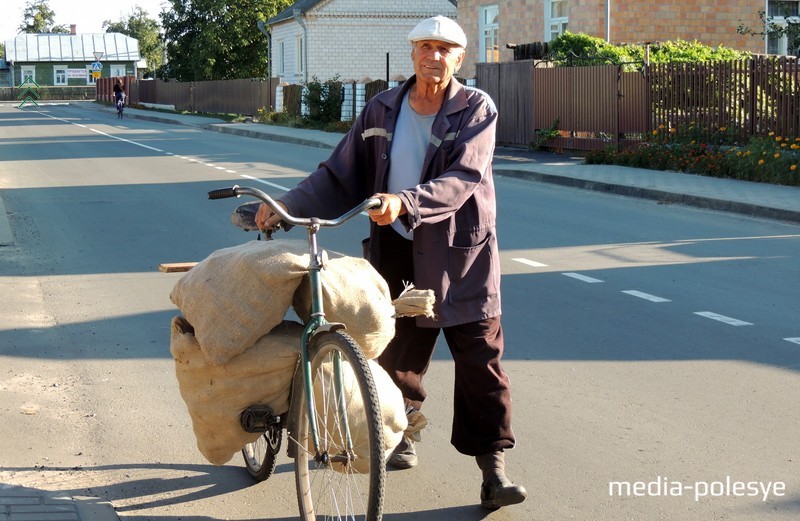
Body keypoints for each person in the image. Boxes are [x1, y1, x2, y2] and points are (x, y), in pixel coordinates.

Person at [255, 15, 527, 510]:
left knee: (480, 362)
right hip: (398, 250)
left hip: (461, 255)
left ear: (459, 58)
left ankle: (494, 470)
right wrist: (286, 207)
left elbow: (464, 176)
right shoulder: (383, 107)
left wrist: (406, 201)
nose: (434, 56)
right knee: (397, 355)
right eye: (426, 46)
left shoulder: (474, 107)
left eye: (445, 48)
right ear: (412, 53)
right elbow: (339, 175)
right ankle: (400, 436)